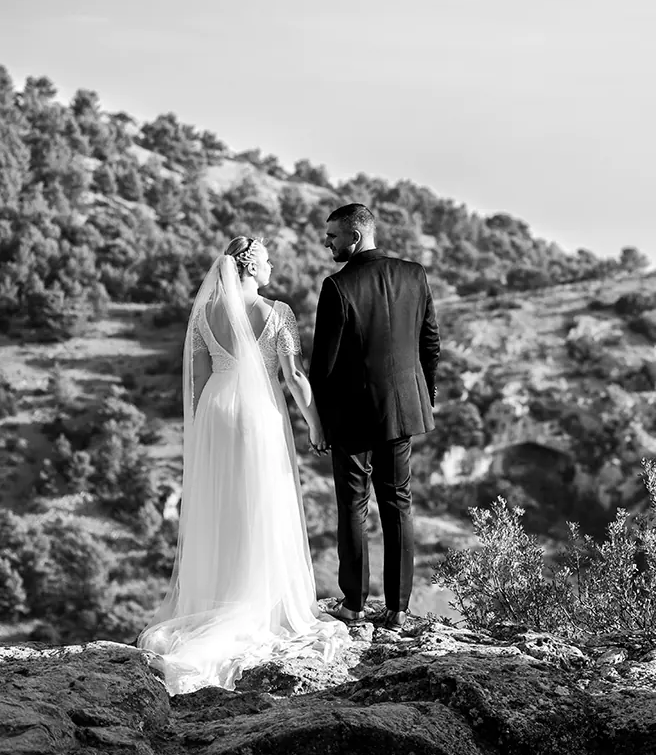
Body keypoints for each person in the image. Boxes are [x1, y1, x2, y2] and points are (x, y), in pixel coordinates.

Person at [137, 236, 348, 695]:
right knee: (261, 500)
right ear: (251, 268)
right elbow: (293, 376)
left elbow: (195, 381)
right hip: (257, 413)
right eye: (268, 261)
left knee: (222, 504)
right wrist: (316, 425)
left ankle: (217, 593)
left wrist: (196, 435)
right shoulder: (279, 313)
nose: (273, 268)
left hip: (214, 410)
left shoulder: (204, 314)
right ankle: (255, 598)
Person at [309, 204, 441, 631]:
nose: (326, 242)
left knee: (353, 507)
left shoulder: (338, 286)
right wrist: (425, 395)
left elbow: (323, 368)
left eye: (332, 236)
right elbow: (430, 344)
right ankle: (399, 609)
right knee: (398, 503)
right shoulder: (414, 273)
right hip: (404, 410)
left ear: (355, 236)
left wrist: (321, 421)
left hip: (352, 416)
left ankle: (353, 605)